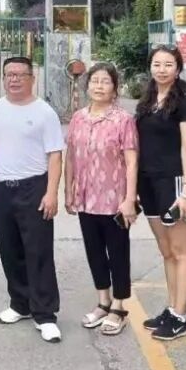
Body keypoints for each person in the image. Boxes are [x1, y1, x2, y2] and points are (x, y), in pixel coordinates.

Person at [0, 57, 65, 343]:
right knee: (10, 249)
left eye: (20, 74)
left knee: (38, 252)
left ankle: (45, 314)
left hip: (33, 188)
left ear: (32, 78)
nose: (14, 79)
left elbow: (55, 155)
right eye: (9, 74)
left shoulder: (44, 112)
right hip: (1, 188)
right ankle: (20, 304)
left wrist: (51, 192)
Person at [64, 62, 138, 336]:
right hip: (86, 197)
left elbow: (132, 162)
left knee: (118, 253)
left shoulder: (123, 120)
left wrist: (130, 199)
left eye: (105, 81)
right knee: (94, 251)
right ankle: (103, 301)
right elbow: (71, 155)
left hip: (114, 199)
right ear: (87, 86)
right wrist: (68, 189)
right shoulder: (78, 118)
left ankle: (119, 307)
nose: (99, 86)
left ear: (114, 88)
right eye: (95, 81)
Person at [134, 45, 186, 342]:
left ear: (178, 69)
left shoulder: (185, 104)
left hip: (172, 182)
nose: (162, 69)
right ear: (150, 67)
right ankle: (171, 309)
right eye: (157, 64)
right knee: (166, 251)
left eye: (168, 64)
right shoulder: (147, 102)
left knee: (181, 251)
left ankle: (180, 317)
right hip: (147, 182)